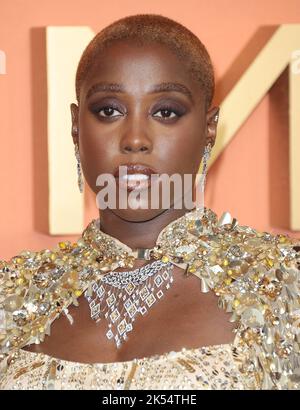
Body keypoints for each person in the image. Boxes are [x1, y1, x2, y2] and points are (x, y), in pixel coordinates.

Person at [0, 13, 299, 391]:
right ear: (76, 127)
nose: (135, 138)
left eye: (166, 111)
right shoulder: (12, 294)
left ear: (209, 129)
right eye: (109, 110)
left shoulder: (285, 285)